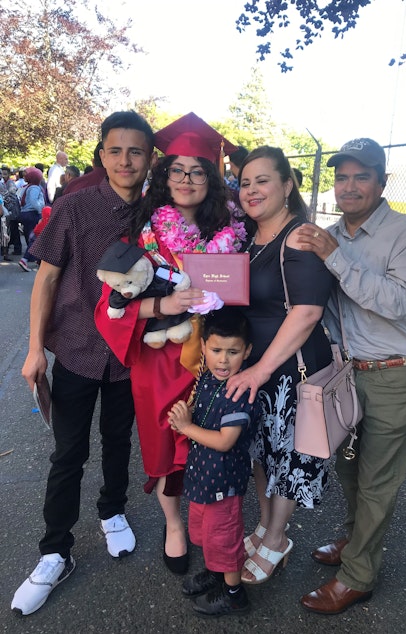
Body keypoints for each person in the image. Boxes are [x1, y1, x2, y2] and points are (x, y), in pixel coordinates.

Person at [11, 110, 155, 617]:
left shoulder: (157, 216)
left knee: (119, 439)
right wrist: (34, 350)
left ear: (149, 158)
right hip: (75, 347)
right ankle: (55, 551)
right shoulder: (74, 208)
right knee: (68, 452)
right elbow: (46, 279)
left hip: (130, 351)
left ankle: (112, 511)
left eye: (135, 151)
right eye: (115, 150)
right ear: (101, 156)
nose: (124, 160)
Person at [95, 112, 247, 576]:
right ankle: (174, 525)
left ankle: (210, 520)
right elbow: (110, 308)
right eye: (177, 169)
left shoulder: (232, 231)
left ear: (211, 178)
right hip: (160, 359)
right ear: (164, 175)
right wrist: (164, 307)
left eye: (198, 171)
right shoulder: (142, 233)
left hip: (216, 358)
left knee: (213, 442)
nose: (186, 179)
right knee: (165, 444)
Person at [296, 138, 406, 615]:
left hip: (394, 375)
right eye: (341, 177)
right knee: (349, 468)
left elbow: (399, 302)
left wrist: (334, 257)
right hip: (346, 374)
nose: (348, 186)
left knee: (378, 480)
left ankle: (359, 575)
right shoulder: (332, 231)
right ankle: (356, 538)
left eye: (361, 176)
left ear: (381, 181)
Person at [225, 146, 335, 585]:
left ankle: (276, 537)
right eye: (245, 183)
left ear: (287, 185)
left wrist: (260, 370)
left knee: (289, 456)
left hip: (292, 369)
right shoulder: (252, 239)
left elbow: (307, 312)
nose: (251, 190)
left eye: (262, 180)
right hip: (259, 367)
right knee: (261, 453)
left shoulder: (299, 236)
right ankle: (263, 526)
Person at [168, 307, 259, 617]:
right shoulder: (207, 379)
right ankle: (214, 572)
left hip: (224, 484)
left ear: (247, 351)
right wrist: (183, 417)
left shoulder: (242, 393)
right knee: (205, 533)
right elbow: (198, 415)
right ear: (203, 347)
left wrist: (187, 428)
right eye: (216, 350)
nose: (223, 359)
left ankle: (234, 594)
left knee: (225, 541)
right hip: (202, 477)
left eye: (233, 352)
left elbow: (224, 440)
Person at [18, 167, 45, 272]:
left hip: (25, 213)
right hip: (32, 214)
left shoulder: (26, 187)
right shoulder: (34, 188)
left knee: (31, 238)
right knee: (35, 238)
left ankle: (35, 259)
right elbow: (34, 202)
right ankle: (25, 259)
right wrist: (40, 209)